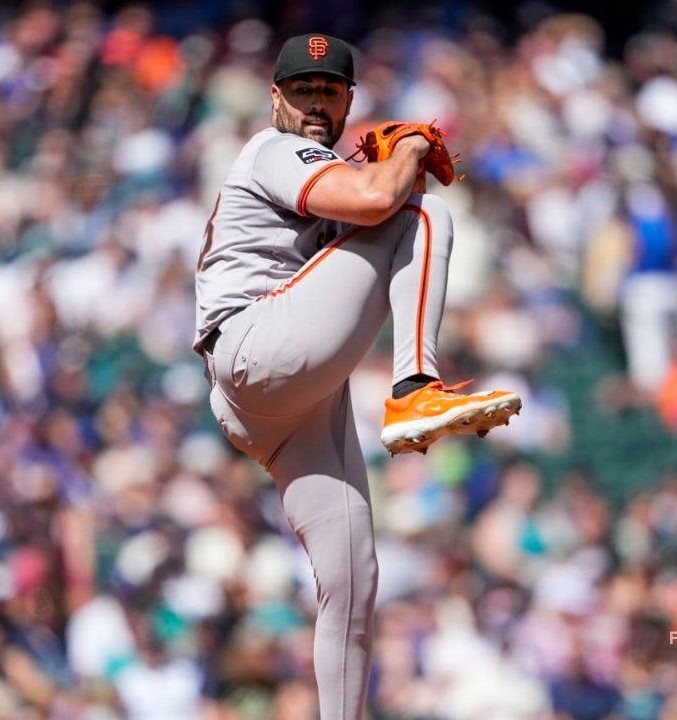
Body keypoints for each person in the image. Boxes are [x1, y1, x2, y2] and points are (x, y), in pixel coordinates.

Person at [191, 33, 521, 720]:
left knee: (353, 578)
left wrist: (395, 157)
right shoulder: (273, 149)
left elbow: (359, 208)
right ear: (275, 98)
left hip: (279, 399)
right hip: (257, 342)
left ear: (347, 102)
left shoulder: (317, 163)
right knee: (422, 210)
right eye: (302, 89)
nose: (315, 102)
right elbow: (378, 199)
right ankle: (413, 390)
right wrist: (407, 147)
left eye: (329, 90)